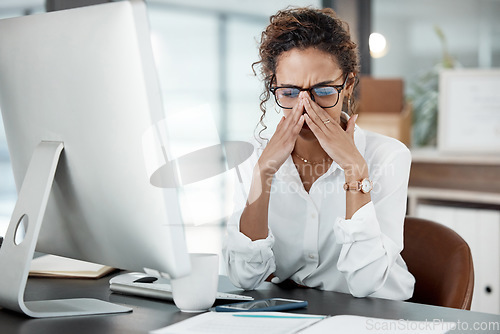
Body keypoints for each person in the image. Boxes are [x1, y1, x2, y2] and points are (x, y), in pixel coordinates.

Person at [223, 7, 415, 300]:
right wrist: (264, 173)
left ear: (348, 85)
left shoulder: (388, 156)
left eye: (323, 91)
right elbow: (243, 278)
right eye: (289, 93)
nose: (305, 108)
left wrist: (354, 169)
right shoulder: (252, 158)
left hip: (379, 313)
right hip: (294, 315)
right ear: (274, 86)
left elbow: (366, 282)